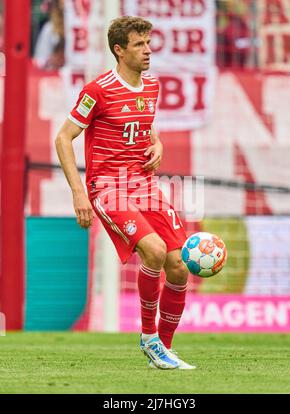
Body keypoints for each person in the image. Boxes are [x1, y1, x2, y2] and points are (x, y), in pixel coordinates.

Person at [55, 16, 195, 370]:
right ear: (119, 50)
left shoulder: (151, 87)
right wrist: (78, 193)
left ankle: (163, 348)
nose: (147, 51)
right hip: (108, 187)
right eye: (138, 45)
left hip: (144, 185)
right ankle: (149, 339)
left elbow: (143, 127)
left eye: (148, 43)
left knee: (179, 267)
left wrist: (158, 142)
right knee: (155, 250)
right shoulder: (97, 90)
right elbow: (63, 138)